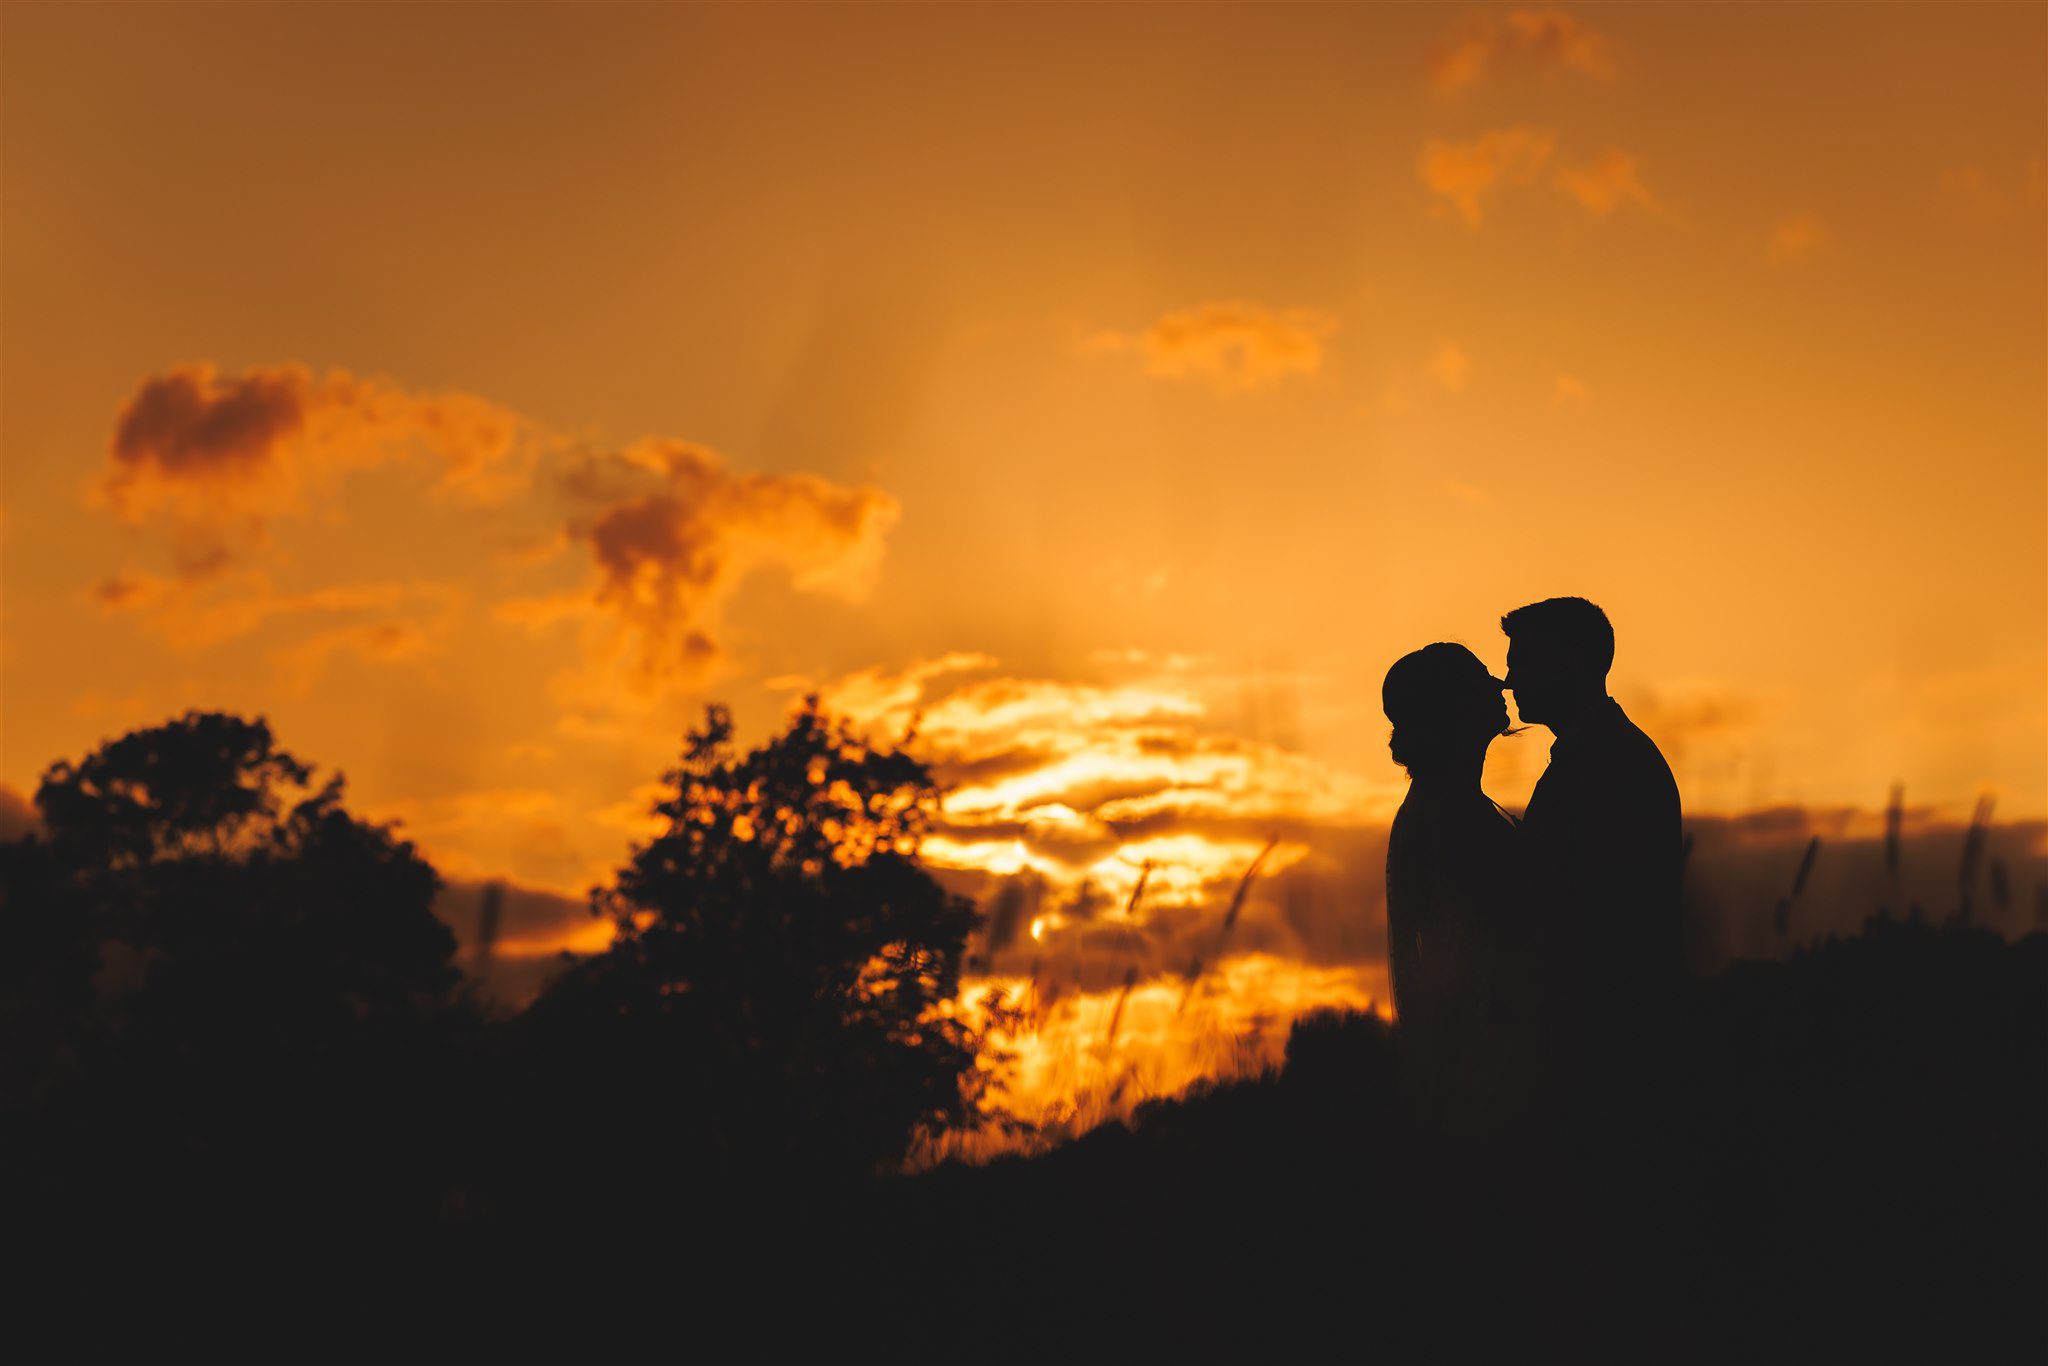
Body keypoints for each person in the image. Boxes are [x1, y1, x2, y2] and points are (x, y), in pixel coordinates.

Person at [1380, 642, 1531, 1143]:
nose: (1499, 686)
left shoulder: (1458, 807)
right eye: (1479, 680)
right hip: (1493, 1083)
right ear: (1452, 711)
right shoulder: (1447, 818)